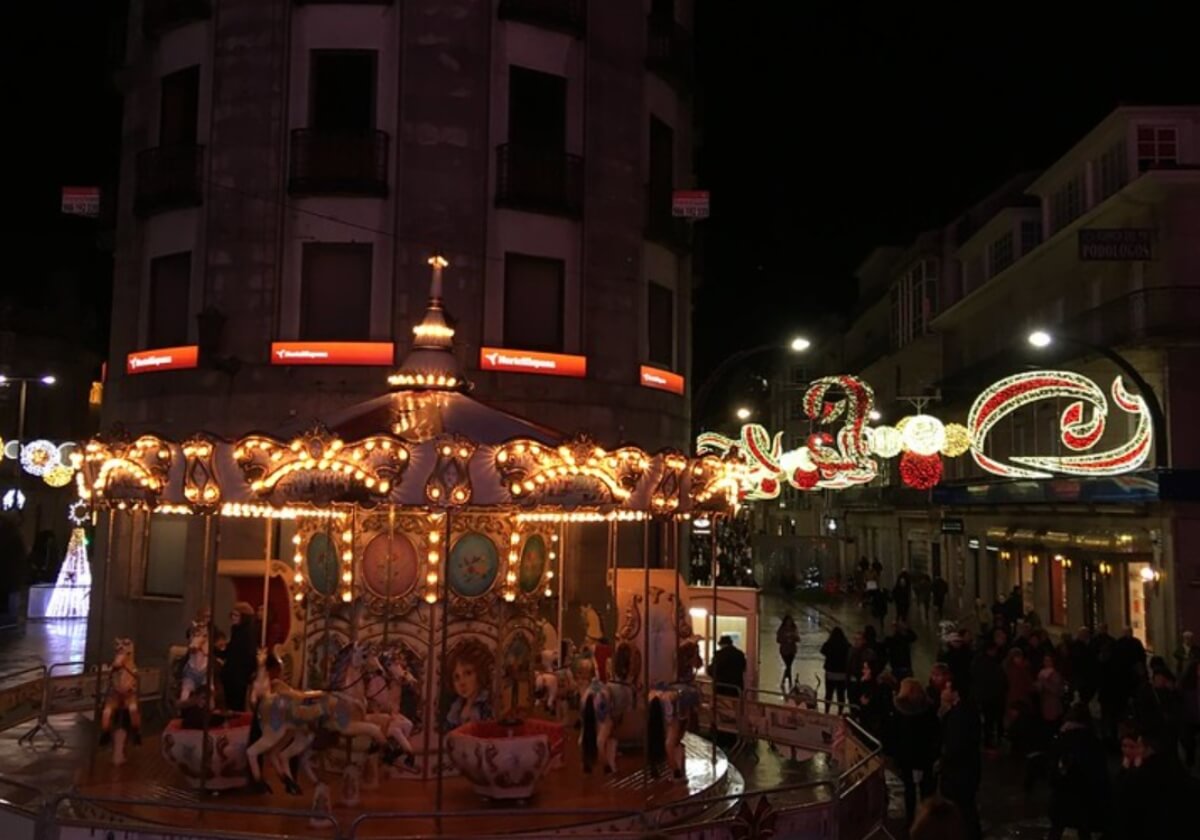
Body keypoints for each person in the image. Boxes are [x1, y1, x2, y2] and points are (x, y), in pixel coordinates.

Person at [1047, 703, 1108, 840]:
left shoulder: (1062, 739)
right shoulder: (1093, 741)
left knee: (1057, 827)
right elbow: (1098, 771)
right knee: (1083, 828)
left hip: (1063, 792)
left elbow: (1053, 766)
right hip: (1084, 793)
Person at [888, 677, 939, 824]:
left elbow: (894, 734)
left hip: (906, 757)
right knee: (926, 789)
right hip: (924, 756)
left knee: (909, 789)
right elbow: (935, 732)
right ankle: (926, 818)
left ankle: (911, 819)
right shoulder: (928, 710)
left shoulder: (899, 710)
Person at [936, 680, 981, 840]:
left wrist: (943, 761)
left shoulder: (959, 716)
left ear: (955, 693)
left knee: (962, 810)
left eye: (947, 689)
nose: (943, 692)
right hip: (966, 771)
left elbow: (955, 746)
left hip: (959, 773)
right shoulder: (965, 711)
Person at [445, 640, 494, 728]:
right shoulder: (457, 706)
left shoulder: (486, 705)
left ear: (480, 673)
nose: (462, 683)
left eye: (468, 673)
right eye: (456, 677)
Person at [222, 602, 257, 712]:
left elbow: (247, 655)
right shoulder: (236, 630)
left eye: (236, 615)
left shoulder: (247, 633)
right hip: (233, 672)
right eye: (232, 615)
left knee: (236, 703)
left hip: (239, 674)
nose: (233, 618)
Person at [971, 641, 1005, 751]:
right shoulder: (991, 663)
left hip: (983, 695)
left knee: (987, 719)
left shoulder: (978, 661)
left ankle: (987, 739)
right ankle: (990, 740)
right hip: (991, 695)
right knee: (990, 719)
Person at [820, 627, 850, 713]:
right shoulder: (846, 645)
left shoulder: (829, 644)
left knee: (829, 693)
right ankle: (840, 711)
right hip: (842, 674)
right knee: (841, 695)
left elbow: (822, 651)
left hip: (830, 673)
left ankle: (827, 710)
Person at [776, 614, 800, 690]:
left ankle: (785, 682)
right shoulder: (781, 629)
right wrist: (786, 639)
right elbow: (778, 640)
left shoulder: (794, 628)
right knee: (788, 666)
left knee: (788, 666)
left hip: (792, 650)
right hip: (784, 650)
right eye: (787, 621)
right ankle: (788, 682)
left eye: (790, 621)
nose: (789, 623)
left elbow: (798, 639)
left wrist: (793, 637)